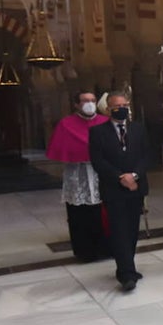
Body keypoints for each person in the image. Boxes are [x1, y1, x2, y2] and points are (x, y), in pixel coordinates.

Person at [88, 91, 149, 291]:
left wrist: (135, 176)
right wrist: (120, 177)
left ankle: (127, 266)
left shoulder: (138, 129)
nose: (121, 109)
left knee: (131, 231)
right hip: (114, 189)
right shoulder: (98, 132)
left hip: (136, 187)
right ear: (108, 109)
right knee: (119, 231)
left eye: (124, 105)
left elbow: (145, 156)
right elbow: (98, 161)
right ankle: (126, 274)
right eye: (116, 106)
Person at [46, 90, 109, 261]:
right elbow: (61, 149)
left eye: (92, 100)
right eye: (84, 100)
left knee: (104, 212)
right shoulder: (66, 124)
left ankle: (107, 249)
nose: (89, 103)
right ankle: (85, 252)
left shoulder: (105, 122)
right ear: (76, 104)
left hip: (101, 174)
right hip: (78, 175)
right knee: (80, 214)